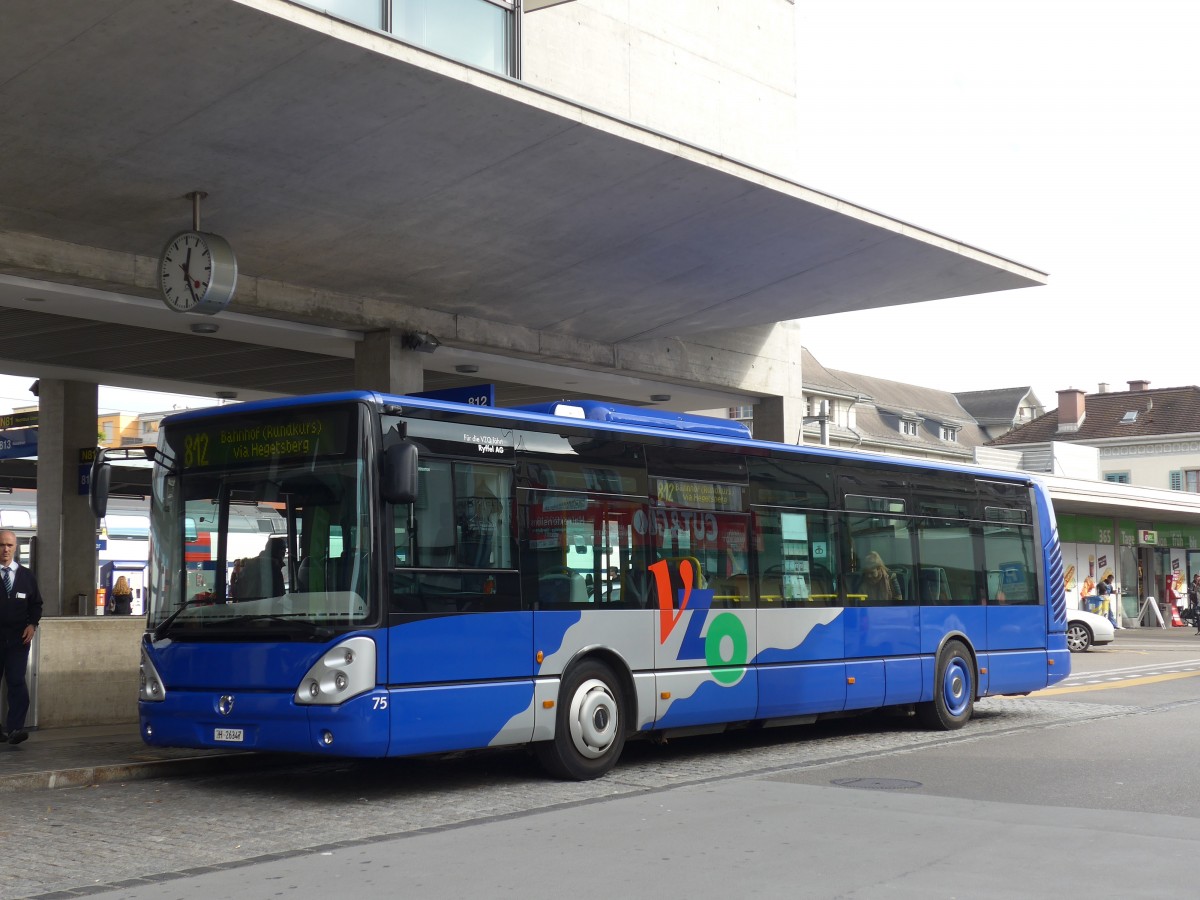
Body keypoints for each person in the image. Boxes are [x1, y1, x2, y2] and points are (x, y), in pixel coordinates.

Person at [0, 529, 42, 746]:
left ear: (15, 548)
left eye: (9, 545)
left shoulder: (26, 577)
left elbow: (36, 604)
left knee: (16, 681)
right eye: (1, 545)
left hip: (18, 640)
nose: (5, 549)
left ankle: (16, 728)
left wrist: (33, 624)